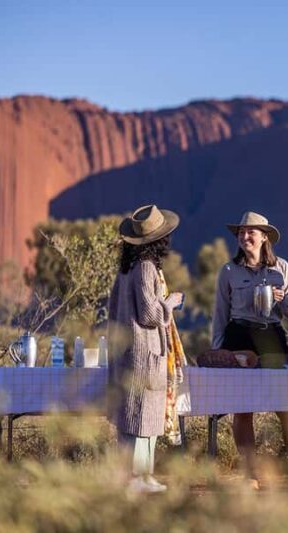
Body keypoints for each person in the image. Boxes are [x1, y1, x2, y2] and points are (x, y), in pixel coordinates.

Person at [210, 211, 288, 488]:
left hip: (272, 336)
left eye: (251, 232)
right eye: (241, 232)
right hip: (238, 337)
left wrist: (281, 299)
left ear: (264, 237)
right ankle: (250, 474)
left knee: (285, 404)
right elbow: (219, 314)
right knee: (243, 408)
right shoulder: (228, 271)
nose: (245, 237)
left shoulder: (282, 268)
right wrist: (218, 351)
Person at [108, 205, 184, 494]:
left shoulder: (125, 270)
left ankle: (142, 477)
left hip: (127, 352)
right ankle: (139, 479)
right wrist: (171, 302)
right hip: (145, 354)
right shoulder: (147, 268)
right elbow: (150, 314)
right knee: (141, 416)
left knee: (135, 416)